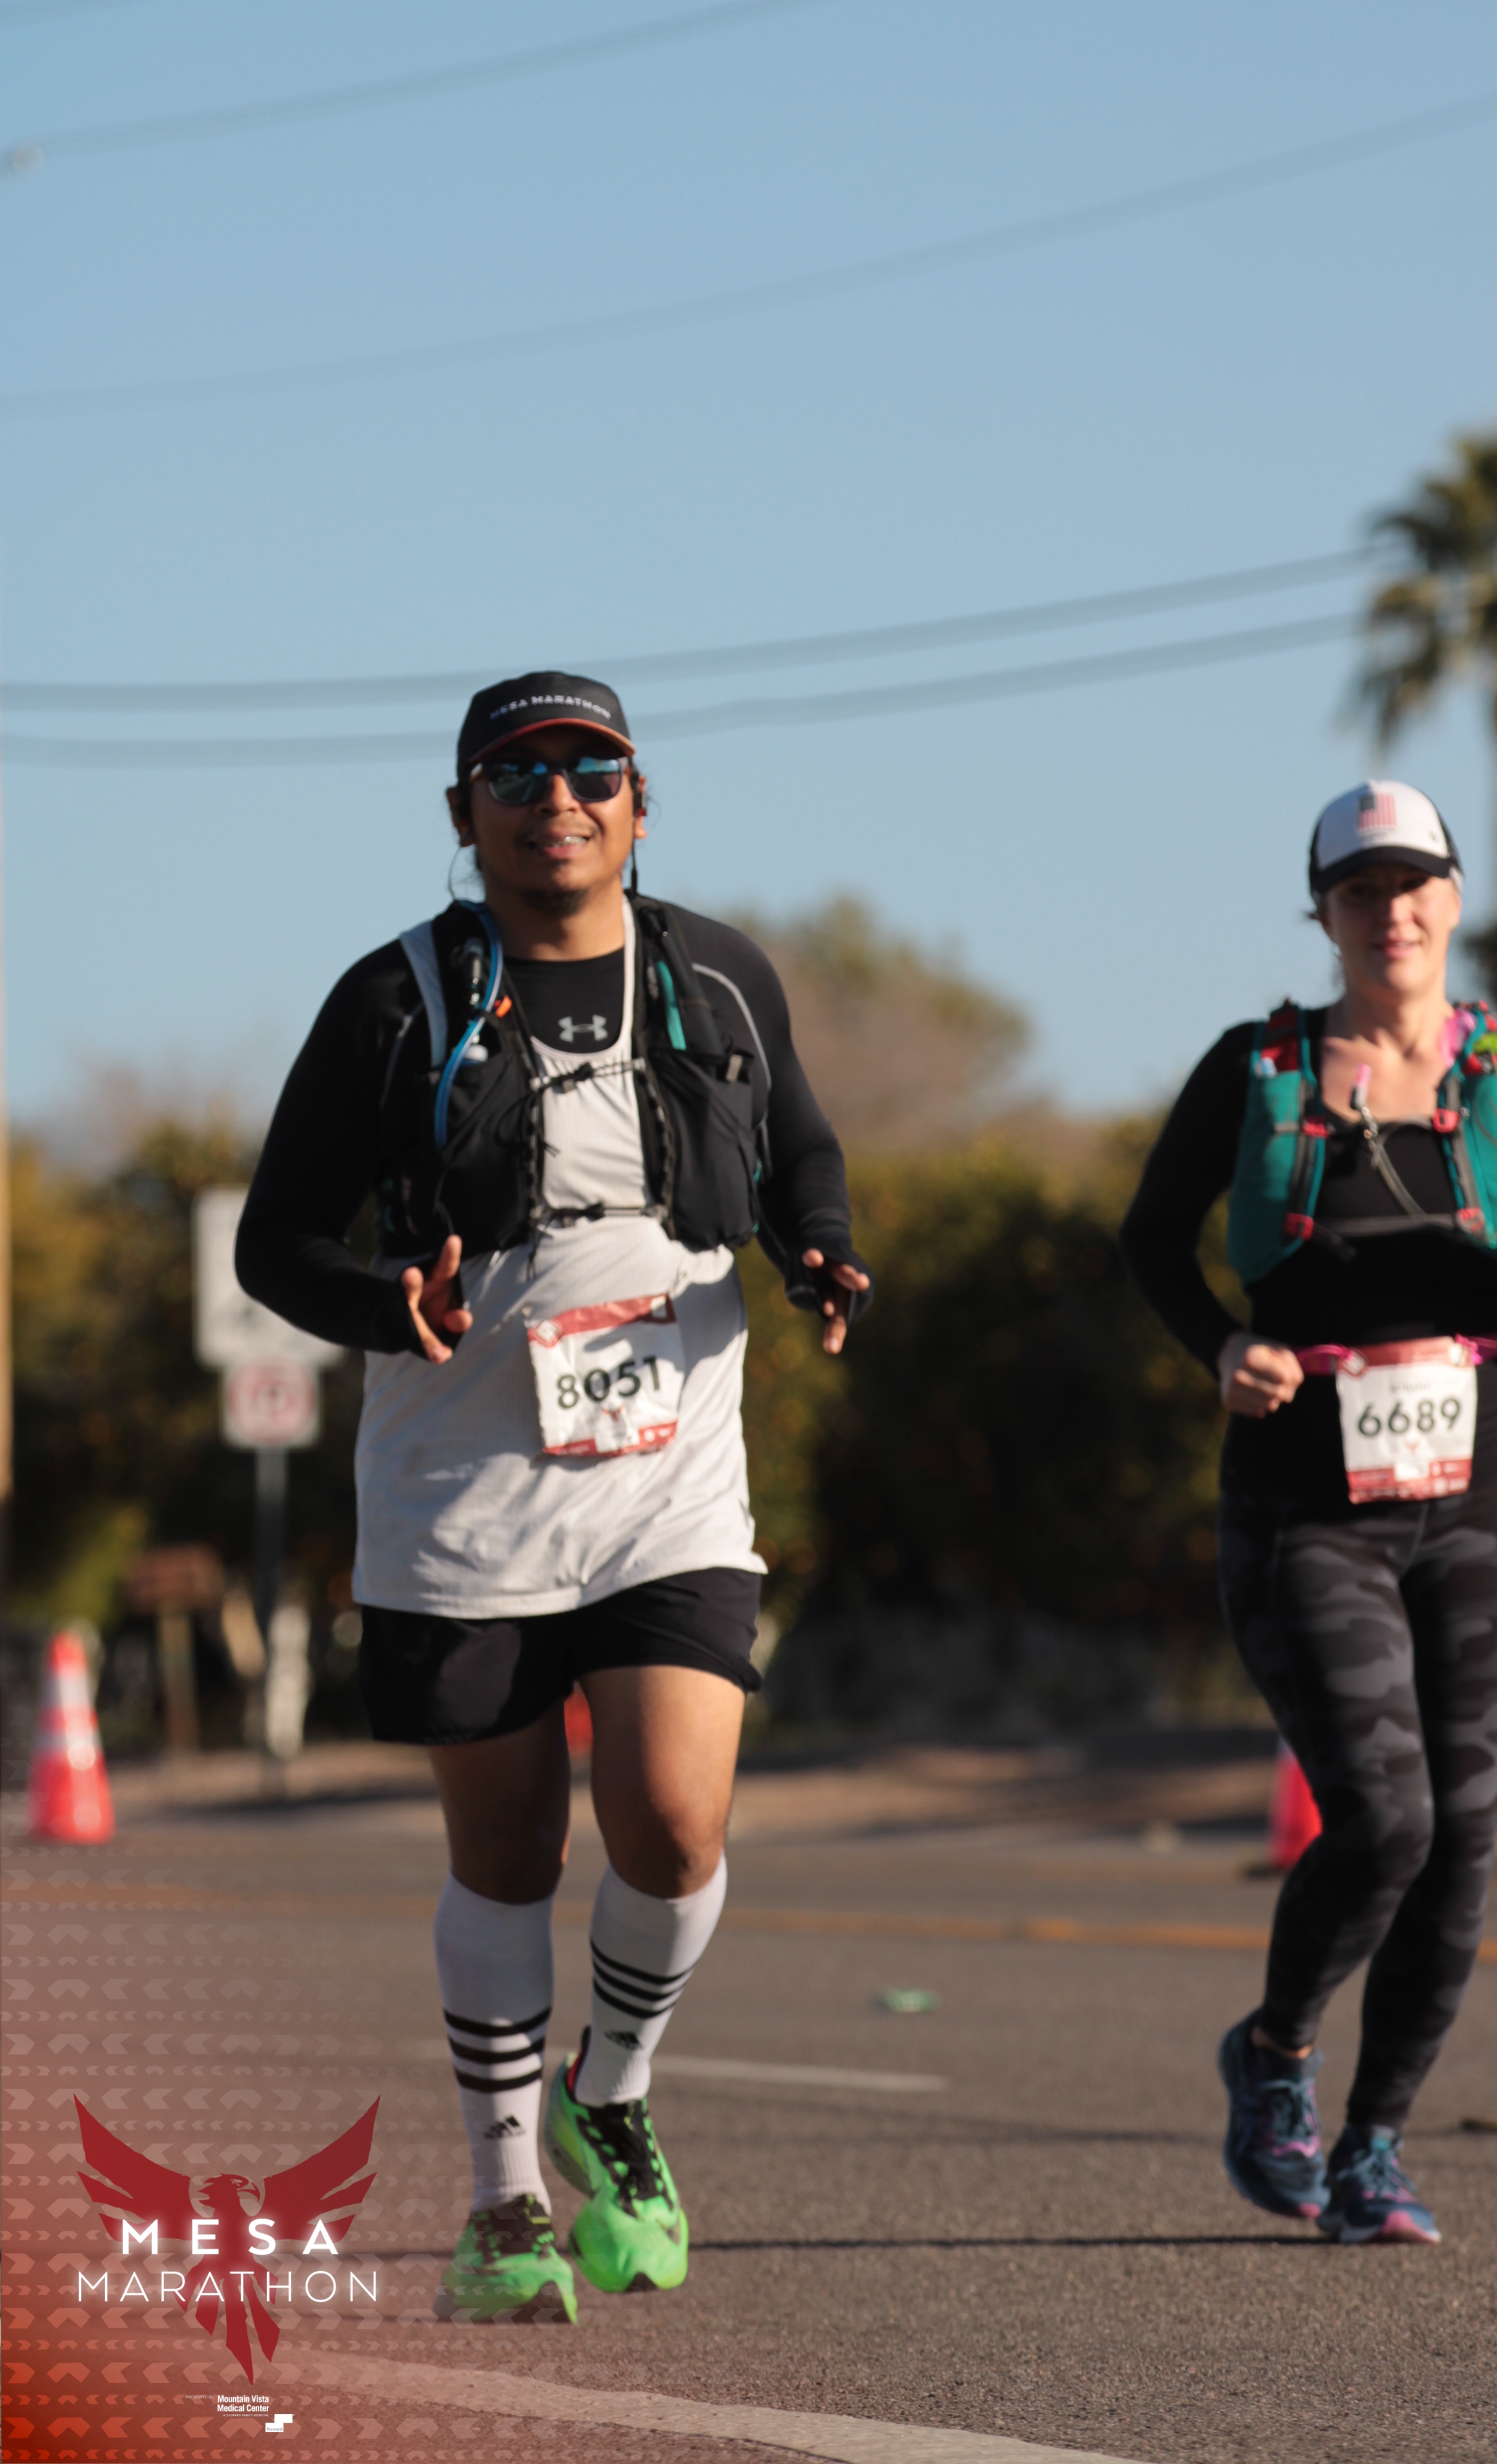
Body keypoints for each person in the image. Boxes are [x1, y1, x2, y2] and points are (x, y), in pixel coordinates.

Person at [237, 670, 870, 2320]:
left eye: (592, 769)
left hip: (671, 1476)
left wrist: (818, 1249)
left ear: (641, 803)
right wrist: (386, 1301)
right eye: (516, 776)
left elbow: (799, 1152)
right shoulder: (393, 999)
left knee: (671, 1820)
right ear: (464, 815)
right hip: (465, 1485)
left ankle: (616, 2091)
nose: (558, 801)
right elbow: (273, 1239)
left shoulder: (716, 975)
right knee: (509, 1848)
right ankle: (506, 2202)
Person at [1120, 781, 1497, 2245]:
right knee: (1386, 1817)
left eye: (1412, 885)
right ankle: (1274, 2051)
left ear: (1450, 900)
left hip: (1476, 1498)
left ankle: (1374, 2147)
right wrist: (1220, 1346)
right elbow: (1149, 1241)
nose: (1388, 912)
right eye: (1358, 890)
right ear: (1323, 913)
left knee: (1460, 1837)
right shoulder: (1255, 1067)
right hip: (1306, 1503)